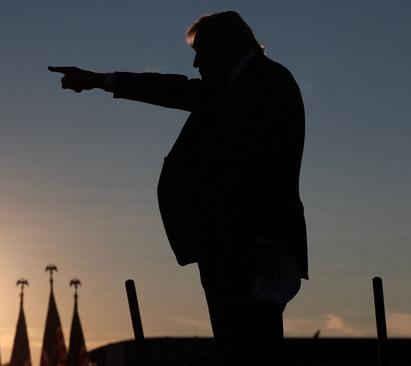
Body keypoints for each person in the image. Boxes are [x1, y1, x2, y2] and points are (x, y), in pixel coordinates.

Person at [49, 10, 307, 365]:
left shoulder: (263, 84)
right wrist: (100, 81)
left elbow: (257, 172)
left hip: (249, 252)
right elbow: (173, 89)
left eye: (202, 52)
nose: (198, 63)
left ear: (229, 45)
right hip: (231, 250)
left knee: (250, 350)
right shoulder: (238, 87)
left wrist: (250, 247)